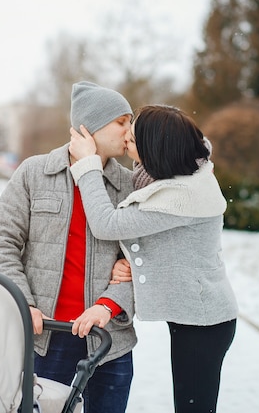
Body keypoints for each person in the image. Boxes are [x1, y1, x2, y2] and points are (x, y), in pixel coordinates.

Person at [69, 104, 238, 413]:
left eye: (133, 140)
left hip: (203, 323)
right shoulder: (185, 169)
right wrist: (135, 263)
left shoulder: (182, 194)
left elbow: (108, 224)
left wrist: (89, 165)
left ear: (155, 149)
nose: (125, 141)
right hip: (196, 317)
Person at [0, 81, 137, 413]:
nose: (129, 132)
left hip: (108, 342)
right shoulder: (34, 173)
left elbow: (146, 262)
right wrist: (22, 302)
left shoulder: (129, 185)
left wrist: (111, 302)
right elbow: (1, 241)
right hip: (45, 339)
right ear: (91, 126)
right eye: (121, 122)